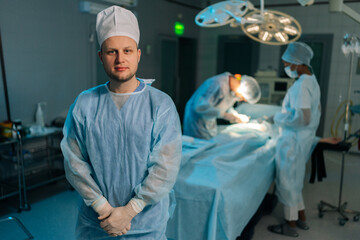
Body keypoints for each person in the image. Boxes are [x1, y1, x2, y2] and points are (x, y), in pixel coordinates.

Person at [60, 6, 182, 239]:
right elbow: (74, 161)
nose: (120, 59)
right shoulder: (85, 103)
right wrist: (104, 209)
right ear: (100, 56)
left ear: (138, 54)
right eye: (111, 52)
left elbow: (165, 168)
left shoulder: (160, 104)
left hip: (145, 221)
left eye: (127, 51)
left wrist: (130, 211)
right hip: (97, 221)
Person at [268, 42, 321, 237]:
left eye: (287, 64)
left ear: (298, 64)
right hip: (301, 141)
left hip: (292, 142)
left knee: (288, 183)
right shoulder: (312, 80)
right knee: (296, 181)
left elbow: (303, 117)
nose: (286, 68)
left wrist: (278, 117)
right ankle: (302, 219)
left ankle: (290, 225)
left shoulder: (301, 85)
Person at [183, 72, 261, 140]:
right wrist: (224, 115)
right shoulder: (218, 84)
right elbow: (200, 108)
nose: (240, 98)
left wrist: (235, 116)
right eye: (242, 97)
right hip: (196, 124)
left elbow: (225, 105)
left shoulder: (233, 90)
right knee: (196, 150)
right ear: (243, 88)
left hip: (209, 123)